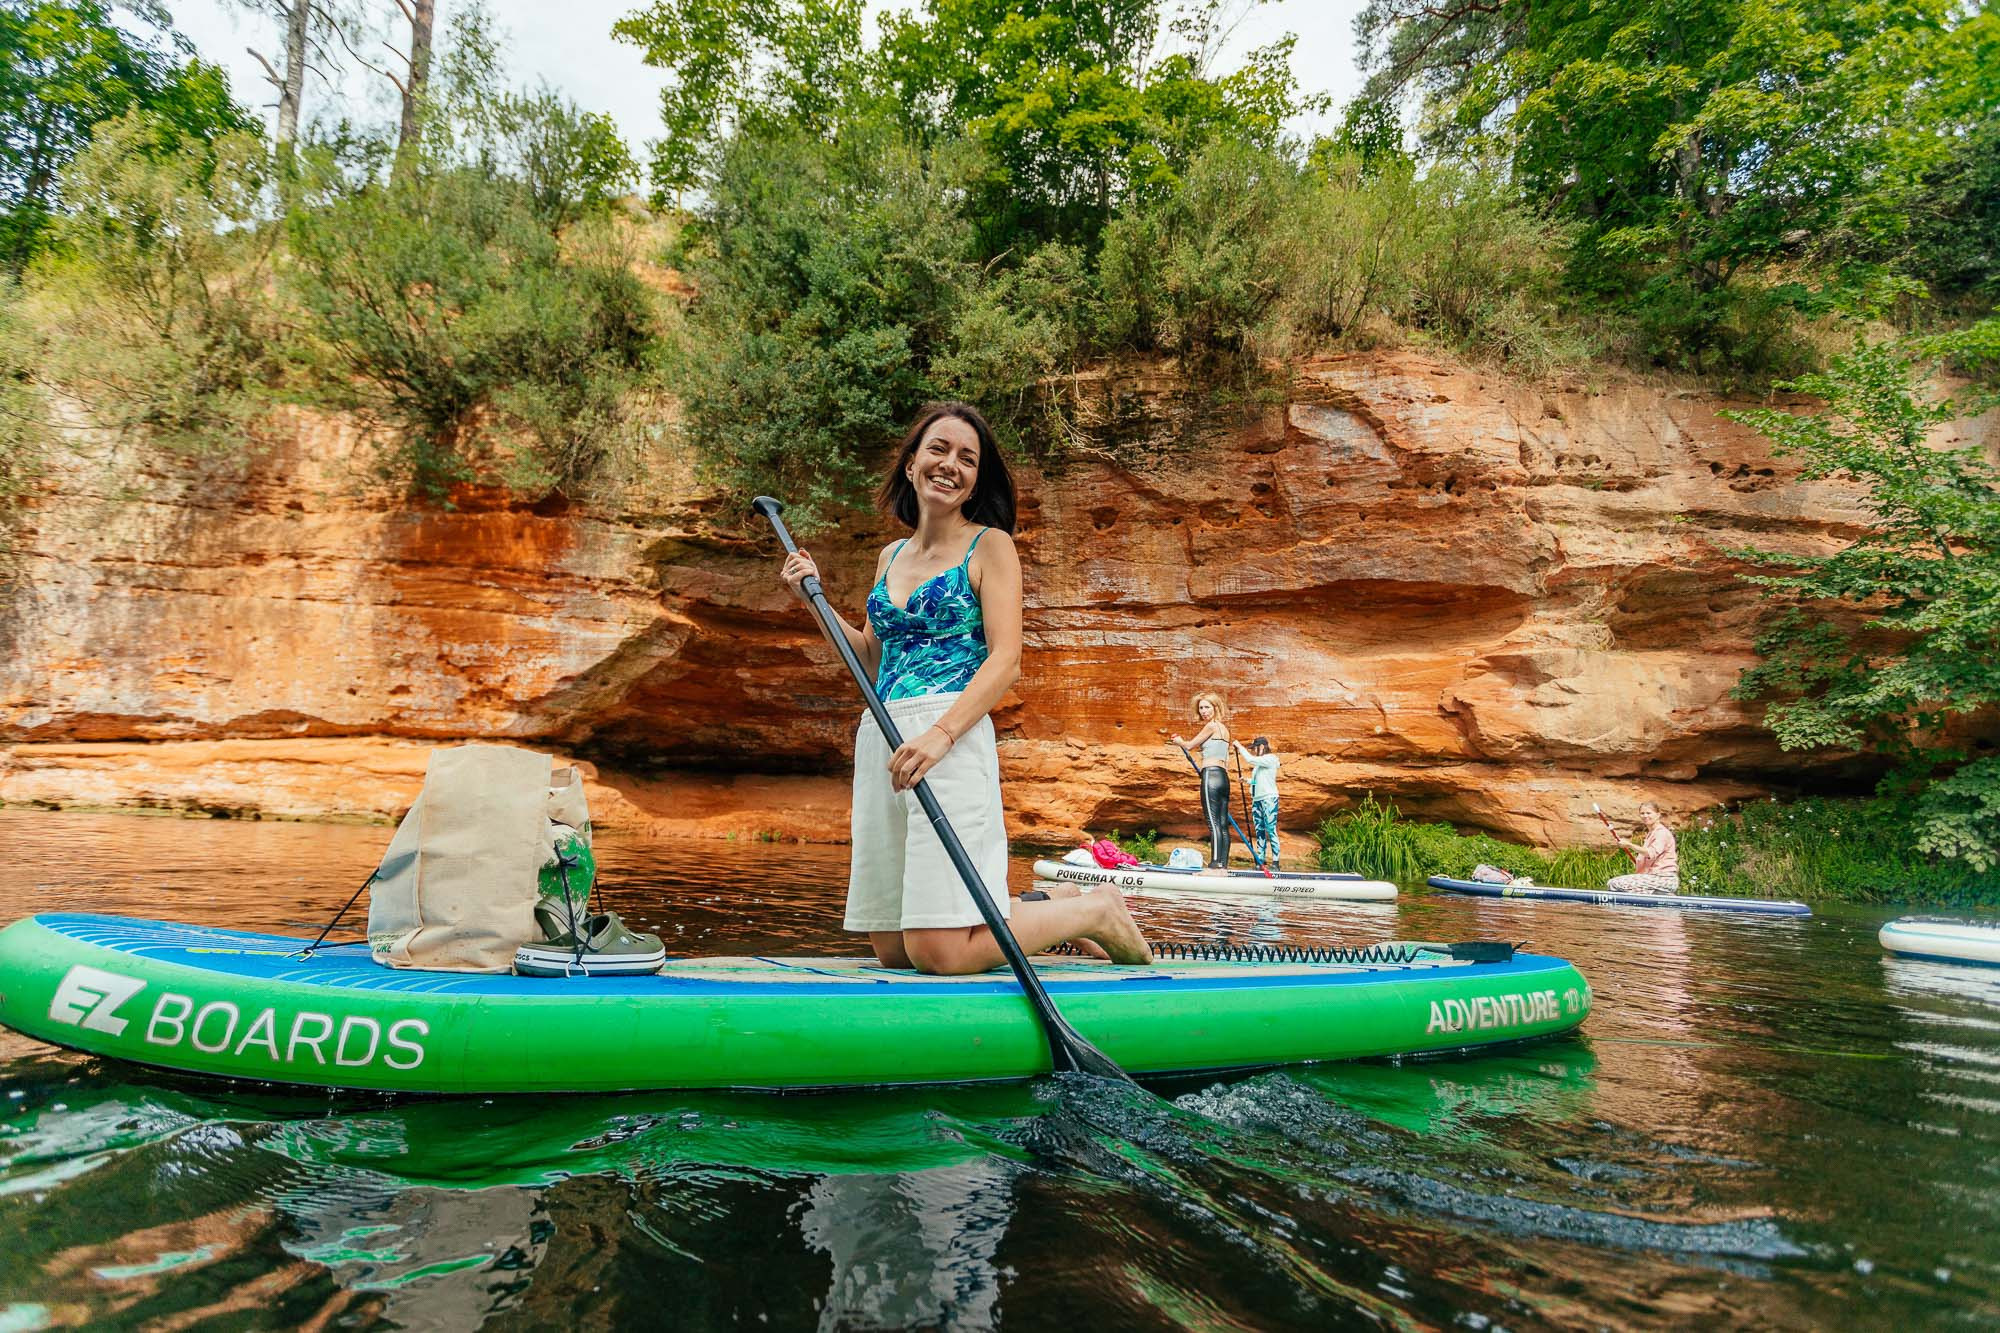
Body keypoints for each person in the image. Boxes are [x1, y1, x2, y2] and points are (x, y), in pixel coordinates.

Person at [779, 402, 1152, 975]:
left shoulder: (990, 546)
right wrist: (814, 602)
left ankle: (1096, 910)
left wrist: (941, 735)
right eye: (939, 449)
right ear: (910, 464)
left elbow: (1006, 660)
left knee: (940, 951)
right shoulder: (890, 557)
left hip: (946, 739)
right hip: (883, 736)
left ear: (977, 480)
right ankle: (1051, 907)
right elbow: (874, 660)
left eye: (967, 458)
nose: (951, 464)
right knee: (894, 949)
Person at [1170, 692, 1233, 869]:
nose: (1204, 711)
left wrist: (1178, 741)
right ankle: (1223, 866)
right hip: (1223, 777)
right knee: (1222, 824)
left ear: (1215, 708)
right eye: (1201, 708)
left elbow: (1190, 745)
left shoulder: (1211, 726)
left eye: (1207, 707)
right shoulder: (1225, 730)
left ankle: (1214, 865)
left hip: (1211, 776)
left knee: (1214, 824)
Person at [1608, 802, 1679, 895]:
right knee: (1613, 884)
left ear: (1658, 815)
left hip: (1664, 879)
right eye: (1642, 813)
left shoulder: (1661, 833)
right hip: (1652, 877)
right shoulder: (1651, 833)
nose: (1645, 816)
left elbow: (1650, 853)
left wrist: (1630, 845)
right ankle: (1655, 894)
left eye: (1649, 813)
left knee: (1614, 884)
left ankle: (1660, 894)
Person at [1233, 736, 1281, 870]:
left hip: (1269, 798)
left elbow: (1250, 759)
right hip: (1257, 799)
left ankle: (1276, 863)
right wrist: (1247, 781)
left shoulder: (1270, 759)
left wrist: (1240, 747)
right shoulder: (1259, 765)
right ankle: (1261, 862)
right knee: (1259, 830)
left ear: (1261, 747)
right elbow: (1259, 781)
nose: (1253, 751)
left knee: (1270, 829)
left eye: (1254, 748)